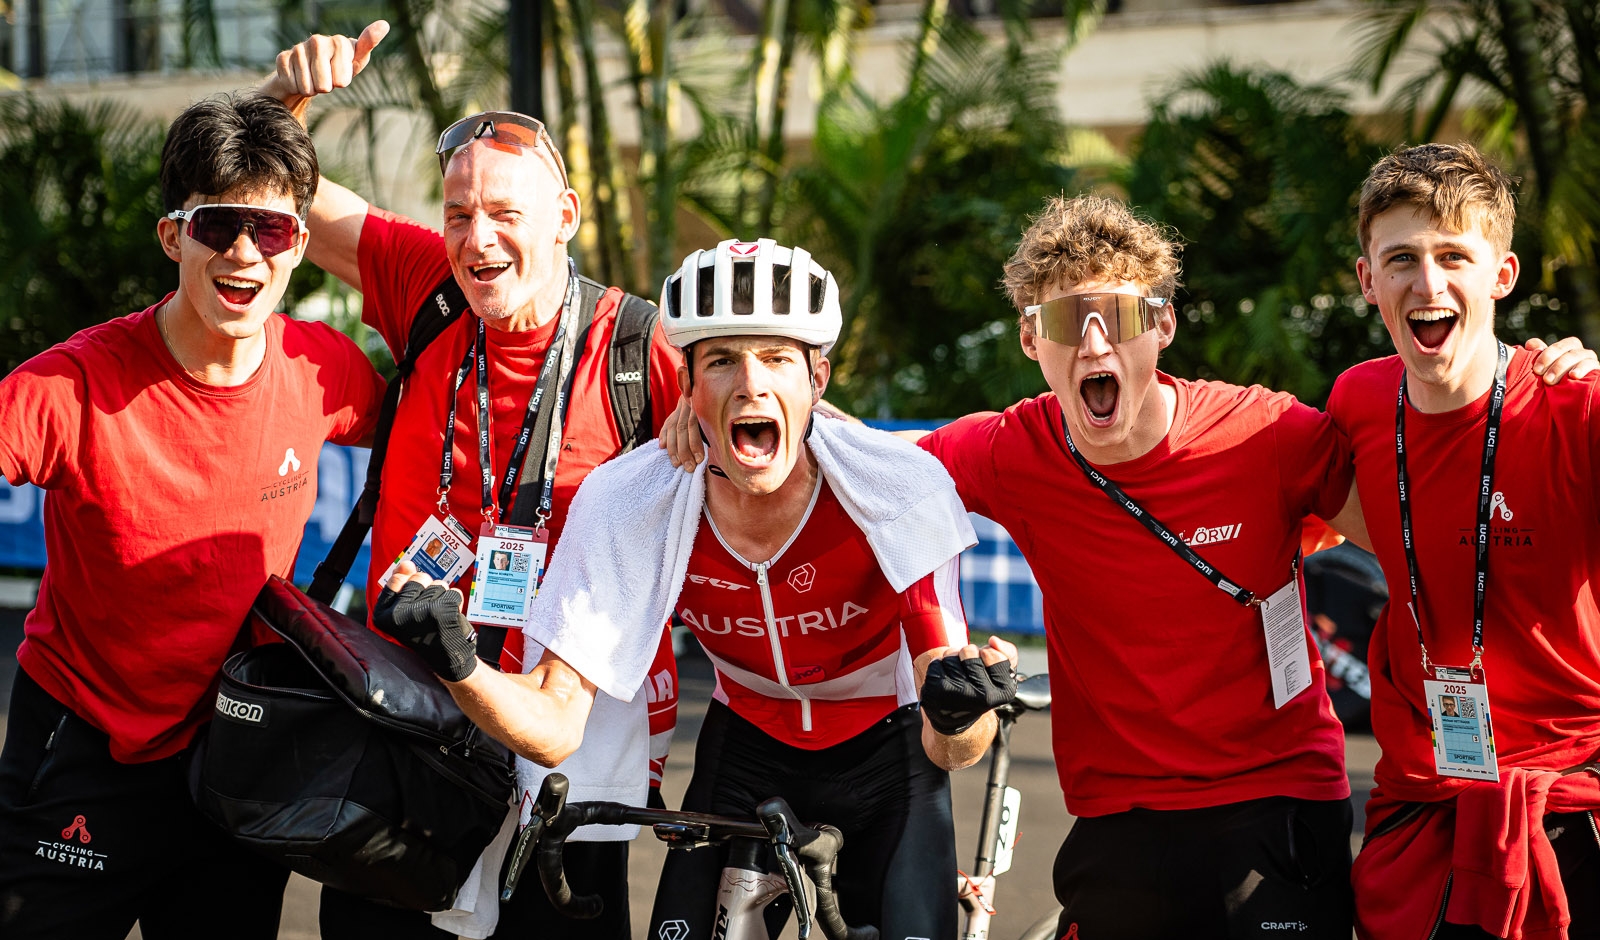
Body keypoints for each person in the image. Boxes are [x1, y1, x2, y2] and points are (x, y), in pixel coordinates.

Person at [653, 195, 1598, 939]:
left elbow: (1420, 511)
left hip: (1275, 798)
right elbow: (845, 463)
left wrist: (1533, 380)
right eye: (1066, 321)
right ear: (1034, 344)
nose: (1093, 342)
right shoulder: (1004, 452)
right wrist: (711, 401)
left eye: (1117, 316)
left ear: (1163, 328)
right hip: (1119, 812)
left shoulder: (1269, 433)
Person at [376, 238, 1018, 939]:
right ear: (685, 385)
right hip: (745, 747)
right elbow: (554, 727)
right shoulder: (633, 501)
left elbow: (952, 747)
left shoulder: (892, 489)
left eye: (776, 358)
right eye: (720, 361)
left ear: (819, 379)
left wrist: (960, 716)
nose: (750, 384)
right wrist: (458, 661)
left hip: (887, 752)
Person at [260, 23, 681, 939]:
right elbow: (265, 190)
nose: (477, 239)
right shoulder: (426, 284)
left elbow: (786, 432)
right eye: (459, 214)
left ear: (564, 219)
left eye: (505, 214)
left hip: (559, 767)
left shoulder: (638, 349)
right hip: (403, 744)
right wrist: (284, 101)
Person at [0, 93, 386, 939]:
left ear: (299, 251)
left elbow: (451, 432)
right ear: (174, 235)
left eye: (274, 230)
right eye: (218, 224)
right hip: (84, 740)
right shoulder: (73, 385)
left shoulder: (325, 369)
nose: (245, 250)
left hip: (238, 755)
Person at [1327, 143, 1600, 940]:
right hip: (1421, 808)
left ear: (1502, 275)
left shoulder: (1575, 411)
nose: (1429, 282)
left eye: (1454, 256)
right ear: (1367, 279)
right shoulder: (1358, 401)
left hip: (1571, 807)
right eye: (1402, 258)